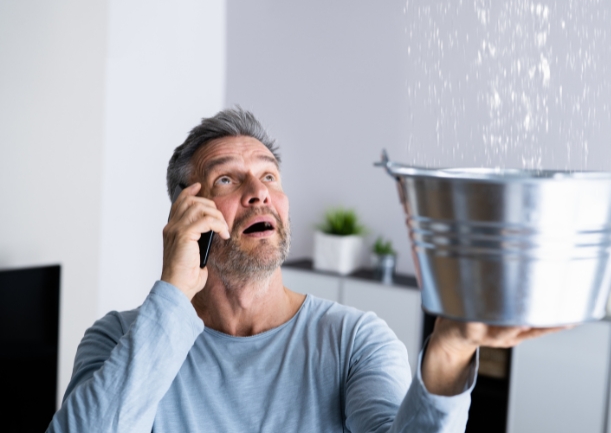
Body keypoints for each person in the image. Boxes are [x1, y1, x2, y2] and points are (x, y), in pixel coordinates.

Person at [47, 107, 559, 432]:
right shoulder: (118, 340)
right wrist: (174, 292)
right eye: (227, 180)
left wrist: (449, 347)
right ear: (187, 215)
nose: (259, 191)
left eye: (269, 175)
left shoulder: (354, 340)